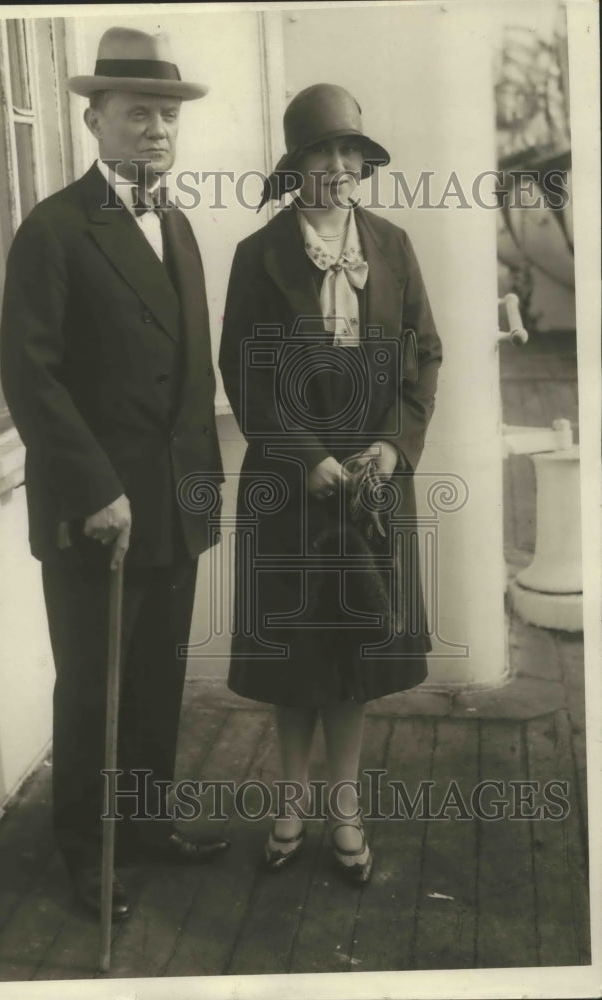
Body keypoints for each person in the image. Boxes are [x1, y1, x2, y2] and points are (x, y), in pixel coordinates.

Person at [0, 26, 229, 922]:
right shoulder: (55, 229)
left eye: (168, 115)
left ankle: (143, 825)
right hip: (96, 511)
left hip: (172, 503)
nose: (157, 130)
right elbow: (32, 377)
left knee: (156, 681)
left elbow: (187, 370)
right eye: (138, 113)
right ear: (93, 120)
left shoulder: (176, 224)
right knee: (95, 687)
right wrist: (95, 490)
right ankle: (88, 855)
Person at [218, 84, 442, 884]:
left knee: (350, 655)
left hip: (370, 486)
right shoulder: (258, 256)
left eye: (351, 152)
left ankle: (345, 810)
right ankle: (290, 803)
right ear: (296, 166)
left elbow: (424, 356)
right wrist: (304, 454)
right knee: (295, 657)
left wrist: (392, 445)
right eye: (323, 152)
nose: (339, 166)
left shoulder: (392, 246)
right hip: (291, 484)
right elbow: (243, 372)